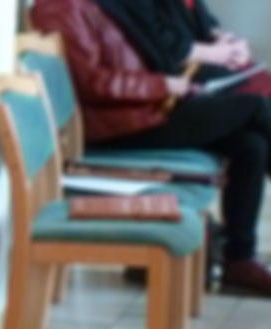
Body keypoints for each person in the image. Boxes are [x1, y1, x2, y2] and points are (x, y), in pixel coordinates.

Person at [31, 0, 271, 296]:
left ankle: (240, 259)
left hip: (143, 110)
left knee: (252, 145)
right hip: (118, 126)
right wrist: (165, 85)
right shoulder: (60, 8)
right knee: (255, 107)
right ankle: (240, 259)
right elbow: (93, 82)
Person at [93, 0, 271, 97]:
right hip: (173, 78)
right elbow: (165, 46)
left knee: (263, 82)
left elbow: (206, 23)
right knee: (260, 100)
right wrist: (220, 54)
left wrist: (230, 43)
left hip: (200, 65)